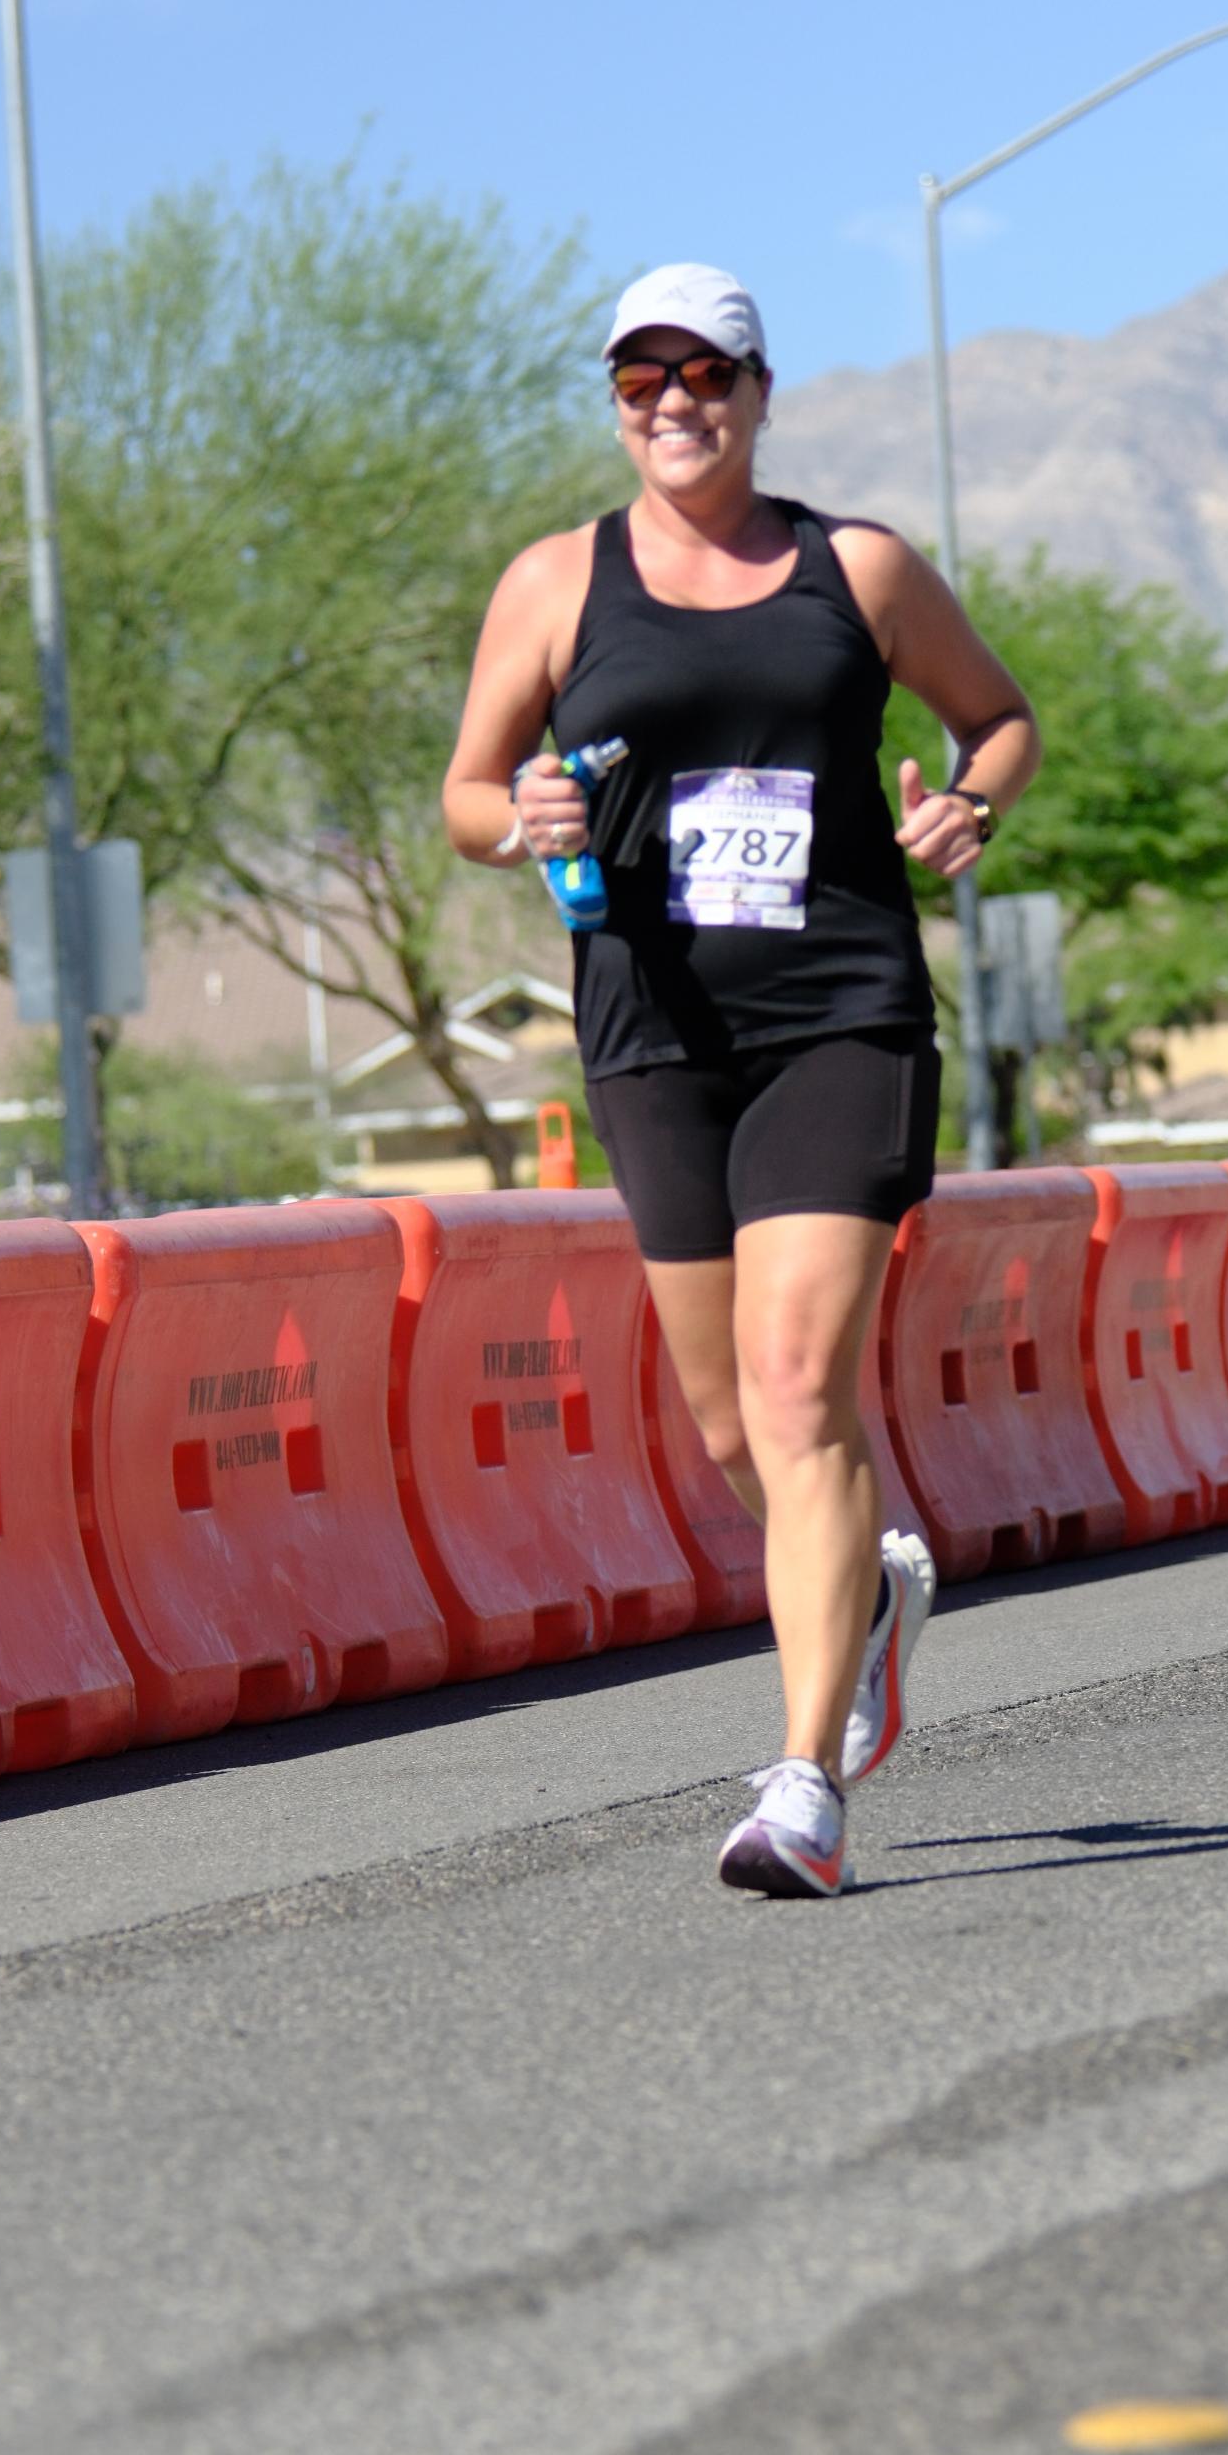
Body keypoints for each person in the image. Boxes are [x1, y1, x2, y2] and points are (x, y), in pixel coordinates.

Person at [442, 263, 1039, 1896]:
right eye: (641, 381)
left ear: (761, 392)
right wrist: (520, 821)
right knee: (728, 1424)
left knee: (793, 1387)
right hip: (656, 1031)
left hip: (840, 1013)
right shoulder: (557, 583)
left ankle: (804, 1787)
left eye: (705, 375)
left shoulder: (859, 567)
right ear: (615, 406)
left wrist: (971, 806)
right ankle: (870, 1594)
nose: (674, 404)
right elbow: (469, 791)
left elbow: (999, 719)